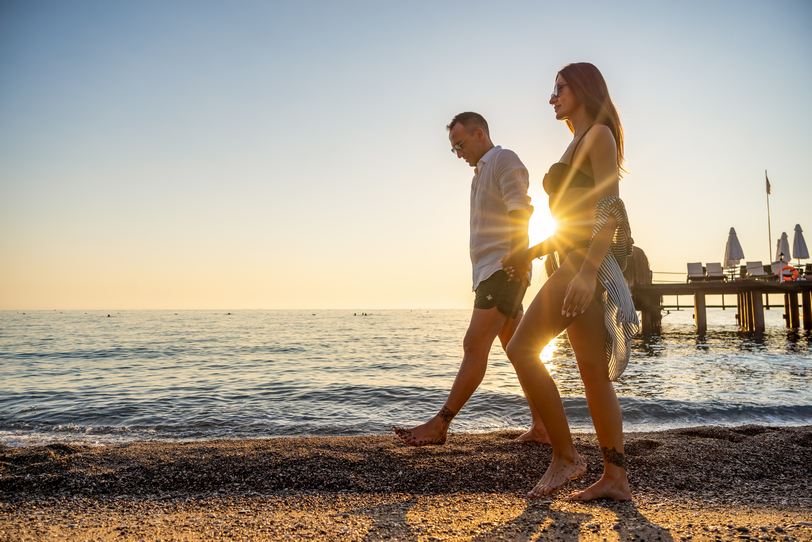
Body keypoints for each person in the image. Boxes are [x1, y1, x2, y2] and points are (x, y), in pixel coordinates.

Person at [502, 63, 638, 501]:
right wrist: (533, 250)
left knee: (521, 348)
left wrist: (583, 273)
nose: (552, 97)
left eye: (559, 88)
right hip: (572, 258)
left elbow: (610, 212)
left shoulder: (598, 135)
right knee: (593, 374)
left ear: (582, 88)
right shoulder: (577, 139)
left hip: (583, 265)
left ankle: (566, 457)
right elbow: (573, 220)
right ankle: (615, 479)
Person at [393, 112, 549, 446]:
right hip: (490, 272)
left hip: (503, 270)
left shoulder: (504, 160)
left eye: (460, 145)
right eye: (454, 148)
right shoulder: (479, 175)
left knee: (473, 347)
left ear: (479, 133)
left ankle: (440, 424)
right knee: (519, 351)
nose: (458, 153)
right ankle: (543, 426)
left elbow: (520, 208)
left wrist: (519, 256)